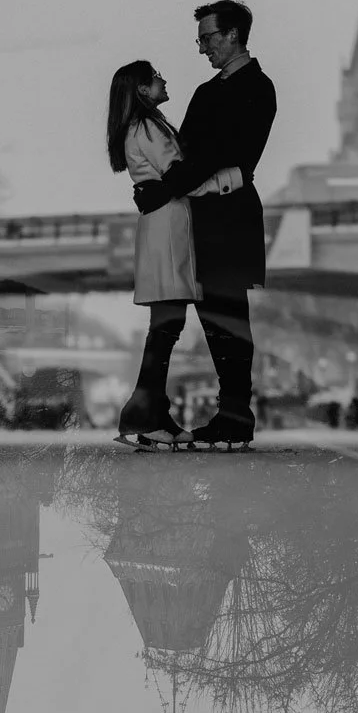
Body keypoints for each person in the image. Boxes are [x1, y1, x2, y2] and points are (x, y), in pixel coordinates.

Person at [132, 0, 276, 449]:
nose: (202, 48)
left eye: (208, 38)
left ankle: (235, 417)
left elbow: (225, 152)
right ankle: (226, 417)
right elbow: (190, 154)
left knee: (230, 318)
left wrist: (166, 187)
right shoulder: (205, 91)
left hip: (230, 218)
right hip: (198, 215)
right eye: (200, 39)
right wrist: (171, 183)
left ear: (234, 35)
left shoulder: (258, 88)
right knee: (214, 321)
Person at [107, 60, 197, 446]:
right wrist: (229, 180)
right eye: (156, 76)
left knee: (166, 326)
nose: (163, 79)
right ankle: (142, 415)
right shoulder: (146, 127)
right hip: (168, 228)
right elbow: (181, 174)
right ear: (142, 89)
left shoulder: (143, 125)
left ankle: (152, 413)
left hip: (163, 225)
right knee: (165, 327)